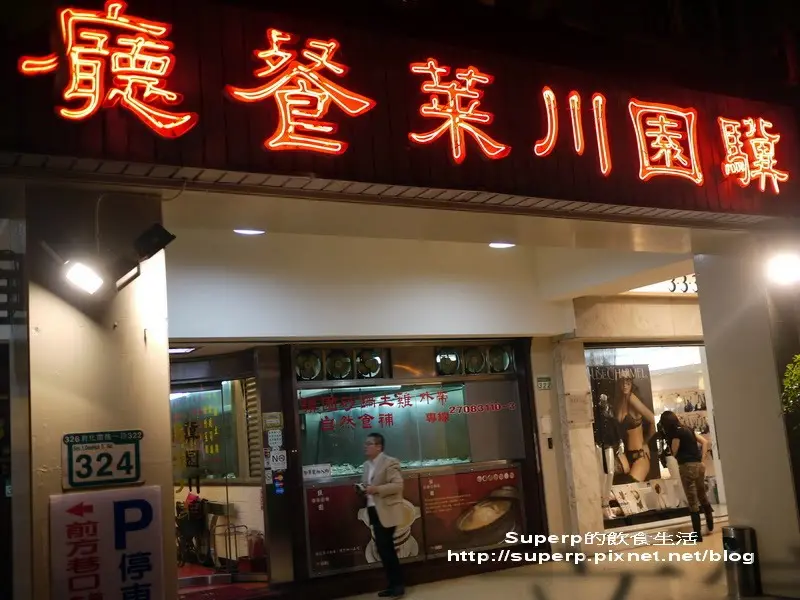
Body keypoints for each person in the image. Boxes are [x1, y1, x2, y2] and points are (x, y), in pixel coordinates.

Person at [361, 433, 405, 598]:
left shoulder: (390, 462)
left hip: (387, 511)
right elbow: (367, 485)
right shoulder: (366, 465)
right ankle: (393, 584)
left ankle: (397, 585)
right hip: (373, 510)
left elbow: (398, 485)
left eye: (369, 443)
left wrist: (376, 489)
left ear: (379, 446)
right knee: (384, 549)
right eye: (365, 444)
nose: (366, 446)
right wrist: (363, 489)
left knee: (386, 550)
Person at [660, 411, 713, 540]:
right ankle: (710, 525)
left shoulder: (677, 433)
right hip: (699, 466)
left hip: (686, 467)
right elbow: (705, 442)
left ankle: (697, 534)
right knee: (702, 495)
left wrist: (670, 443)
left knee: (692, 500)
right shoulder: (688, 429)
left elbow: (674, 452)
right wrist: (702, 459)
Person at [613, 370, 656, 482]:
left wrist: (645, 442)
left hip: (640, 457)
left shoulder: (632, 398)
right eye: (622, 380)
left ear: (632, 381)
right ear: (618, 382)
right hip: (626, 458)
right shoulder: (619, 401)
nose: (625, 384)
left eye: (628, 380)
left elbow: (653, 420)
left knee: (631, 488)